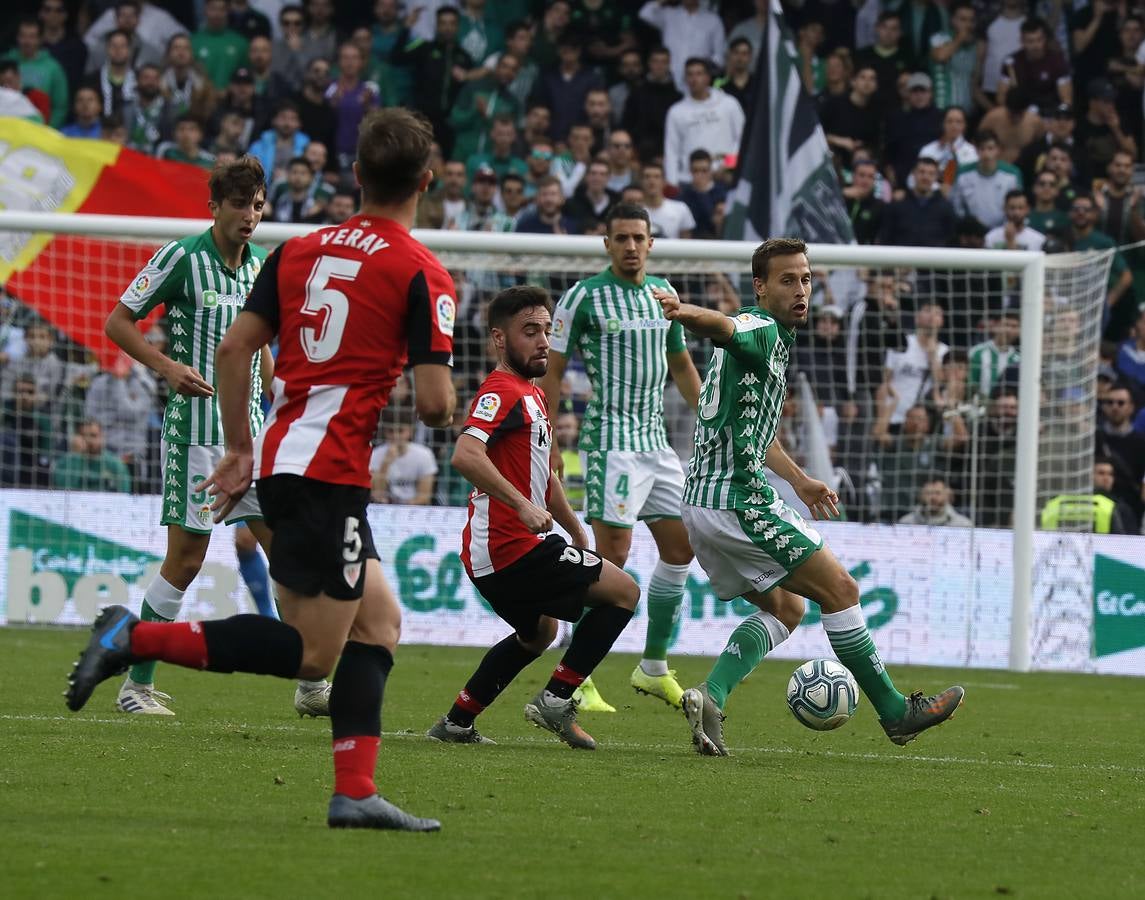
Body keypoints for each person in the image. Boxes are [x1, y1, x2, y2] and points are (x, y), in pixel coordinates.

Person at [66, 108, 456, 832]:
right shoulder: (421, 271)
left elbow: (236, 349)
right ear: (425, 182)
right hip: (325, 466)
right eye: (238, 201)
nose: (250, 213)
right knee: (313, 651)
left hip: (275, 452)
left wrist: (243, 447)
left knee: (378, 624)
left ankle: (354, 791)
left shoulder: (292, 253)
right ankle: (134, 641)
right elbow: (436, 406)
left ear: (357, 175)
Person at [652, 237, 964, 756]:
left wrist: (798, 480)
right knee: (841, 589)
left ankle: (712, 695)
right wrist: (685, 311)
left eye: (806, 279)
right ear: (761, 287)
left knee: (787, 608)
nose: (801, 290)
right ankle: (895, 712)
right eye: (787, 280)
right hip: (738, 503)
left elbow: (756, 432)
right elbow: (727, 327)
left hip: (703, 506)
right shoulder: (760, 328)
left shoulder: (772, 346)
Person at [96, 157, 331, 718]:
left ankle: (310, 682)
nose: (250, 215)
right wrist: (167, 367)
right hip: (194, 437)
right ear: (215, 206)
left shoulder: (259, 268)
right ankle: (136, 685)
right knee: (186, 559)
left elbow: (261, 343)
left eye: (257, 204)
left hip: (249, 437)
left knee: (289, 554)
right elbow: (118, 322)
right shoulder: (181, 257)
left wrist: (282, 398)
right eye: (239, 204)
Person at [425, 285, 640, 748]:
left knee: (538, 632)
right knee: (624, 591)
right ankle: (557, 700)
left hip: (499, 554)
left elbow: (544, 478)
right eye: (530, 331)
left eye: (547, 330)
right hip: (510, 549)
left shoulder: (534, 394)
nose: (543, 340)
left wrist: (576, 529)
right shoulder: (501, 390)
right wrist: (520, 505)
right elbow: (465, 454)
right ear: (500, 339)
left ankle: (457, 722)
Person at [540, 203, 703, 712]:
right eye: (621, 237)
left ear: (651, 243)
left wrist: (714, 422)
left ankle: (653, 667)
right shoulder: (583, 297)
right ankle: (579, 675)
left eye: (639, 237)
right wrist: (546, 443)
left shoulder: (665, 295)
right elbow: (553, 371)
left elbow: (682, 367)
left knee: (681, 548)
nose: (631, 245)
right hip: (610, 441)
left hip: (656, 445)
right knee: (612, 560)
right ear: (605, 243)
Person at [52, 418, 132, 493]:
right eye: (83, 436)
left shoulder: (115, 464)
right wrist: (75, 456)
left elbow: (124, 495)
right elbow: (64, 492)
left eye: (93, 435)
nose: (88, 440)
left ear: (102, 437)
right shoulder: (64, 463)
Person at [899, 478, 973, 526]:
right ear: (920, 496)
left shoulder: (963, 524)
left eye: (938, 493)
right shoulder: (906, 522)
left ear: (947, 496)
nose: (933, 498)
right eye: (928, 493)